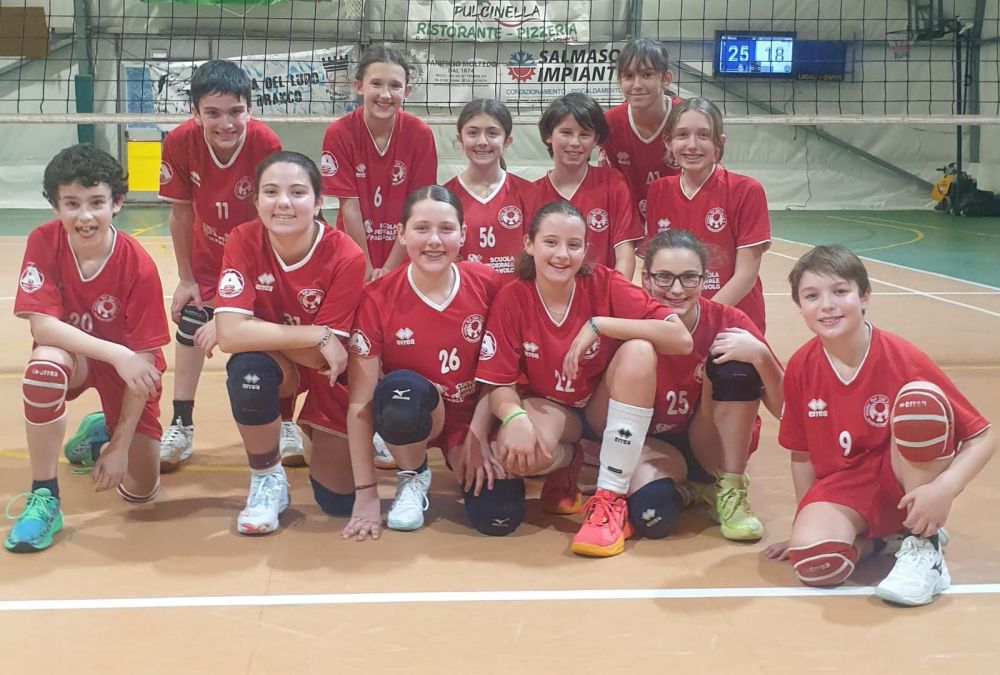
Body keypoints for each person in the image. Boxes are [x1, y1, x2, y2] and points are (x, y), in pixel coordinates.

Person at [765, 245, 994, 606]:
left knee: (920, 402)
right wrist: (802, 524)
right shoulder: (800, 366)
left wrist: (944, 489)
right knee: (816, 564)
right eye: (812, 296)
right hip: (843, 486)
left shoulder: (901, 356)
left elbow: (983, 436)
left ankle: (924, 547)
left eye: (840, 291)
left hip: (902, 478)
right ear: (800, 307)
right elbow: (802, 453)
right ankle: (884, 543)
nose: (827, 305)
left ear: (865, 297)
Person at [476, 200, 693, 557]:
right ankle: (569, 460)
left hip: (601, 410)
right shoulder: (513, 297)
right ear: (529, 244)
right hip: (553, 410)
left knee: (639, 350)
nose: (562, 254)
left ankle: (609, 499)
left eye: (573, 245)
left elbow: (680, 340)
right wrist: (513, 417)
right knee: (513, 453)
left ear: (585, 249)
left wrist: (599, 325)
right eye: (551, 242)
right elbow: (499, 383)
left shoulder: (604, 283)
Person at [6, 144, 169, 552]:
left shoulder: (139, 265)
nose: (85, 216)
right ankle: (45, 495)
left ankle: (101, 433)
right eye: (72, 204)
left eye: (96, 202)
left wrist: (119, 447)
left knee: (141, 490)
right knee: (44, 369)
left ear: (117, 203)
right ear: (55, 206)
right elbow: (42, 326)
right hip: (81, 359)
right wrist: (115, 353)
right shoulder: (44, 241)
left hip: (128, 374)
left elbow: (143, 364)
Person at [342, 186, 517, 542]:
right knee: (400, 393)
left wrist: (477, 436)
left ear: (463, 234)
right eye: (421, 228)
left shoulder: (488, 283)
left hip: (474, 414)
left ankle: (459, 454)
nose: (434, 241)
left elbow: (500, 372)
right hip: (415, 408)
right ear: (402, 234)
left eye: (446, 229)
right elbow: (360, 402)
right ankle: (412, 474)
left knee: (498, 517)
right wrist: (366, 494)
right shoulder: (377, 296)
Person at [156, 59, 302, 471]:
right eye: (213, 113)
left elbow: (273, 213)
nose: (226, 123)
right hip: (207, 259)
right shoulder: (180, 142)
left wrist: (266, 280)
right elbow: (180, 214)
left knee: (273, 328)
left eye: (235, 111)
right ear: (195, 112)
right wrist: (186, 278)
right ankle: (181, 424)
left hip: (257, 256)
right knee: (191, 320)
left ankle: (286, 423)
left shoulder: (265, 141)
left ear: (249, 110)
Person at [213, 151, 366, 535]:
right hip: (278, 366)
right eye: (271, 192)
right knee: (247, 371)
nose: (283, 202)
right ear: (256, 201)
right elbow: (230, 337)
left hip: (330, 377)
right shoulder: (242, 239)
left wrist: (252, 330)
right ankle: (267, 477)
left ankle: (313, 430)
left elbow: (321, 359)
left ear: (318, 201)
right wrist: (316, 332)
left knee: (337, 502)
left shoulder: (347, 254)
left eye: (297, 192)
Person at [638, 230, 783, 541]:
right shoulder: (630, 319)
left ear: (704, 280)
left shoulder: (729, 321)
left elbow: (785, 409)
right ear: (645, 278)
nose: (677, 289)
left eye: (690, 277)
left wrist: (762, 358)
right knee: (652, 515)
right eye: (664, 277)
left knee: (736, 363)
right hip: (655, 444)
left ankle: (729, 486)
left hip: (711, 444)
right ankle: (693, 491)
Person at [645, 97, 770, 332]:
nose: (692, 145)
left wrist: (702, 320)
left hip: (733, 323)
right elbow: (655, 268)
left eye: (703, 135)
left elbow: (746, 275)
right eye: (682, 135)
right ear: (668, 142)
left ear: (719, 143)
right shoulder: (659, 190)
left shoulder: (746, 190)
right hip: (678, 322)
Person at [321, 44, 438, 282]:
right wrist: (364, 264)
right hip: (354, 250)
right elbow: (350, 207)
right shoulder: (339, 133)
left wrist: (390, 268)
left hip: (404, 250)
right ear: (359, 86)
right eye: (376, 84)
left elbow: (418, 207)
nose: (385, 95)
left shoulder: (420, 134)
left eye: (395, 86)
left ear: (407, 91)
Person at [533, 93, 643, 280]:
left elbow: (624, 254)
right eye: (566, 133)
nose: (575, 143)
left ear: (596, 140)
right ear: (548, 136)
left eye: (584, 134)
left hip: (602, 295)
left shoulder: (613, 183)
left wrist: (616, 295)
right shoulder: (531, 194)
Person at [443, 99, 533, 283]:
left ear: (507, 141)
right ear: (460, 140)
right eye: (473, 133)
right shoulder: (444, 198)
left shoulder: (529, 193)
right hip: (465, 294)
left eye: (492, 133)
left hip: (515, 295)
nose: (482, 141)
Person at [600, 38, 683, 227]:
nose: (636, 84)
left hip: (683, 220)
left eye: (646, 75)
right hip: (630, 221)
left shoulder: (688, 117)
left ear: (666, 78)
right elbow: (609, 182)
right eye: (628, 76)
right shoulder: (610, 123)